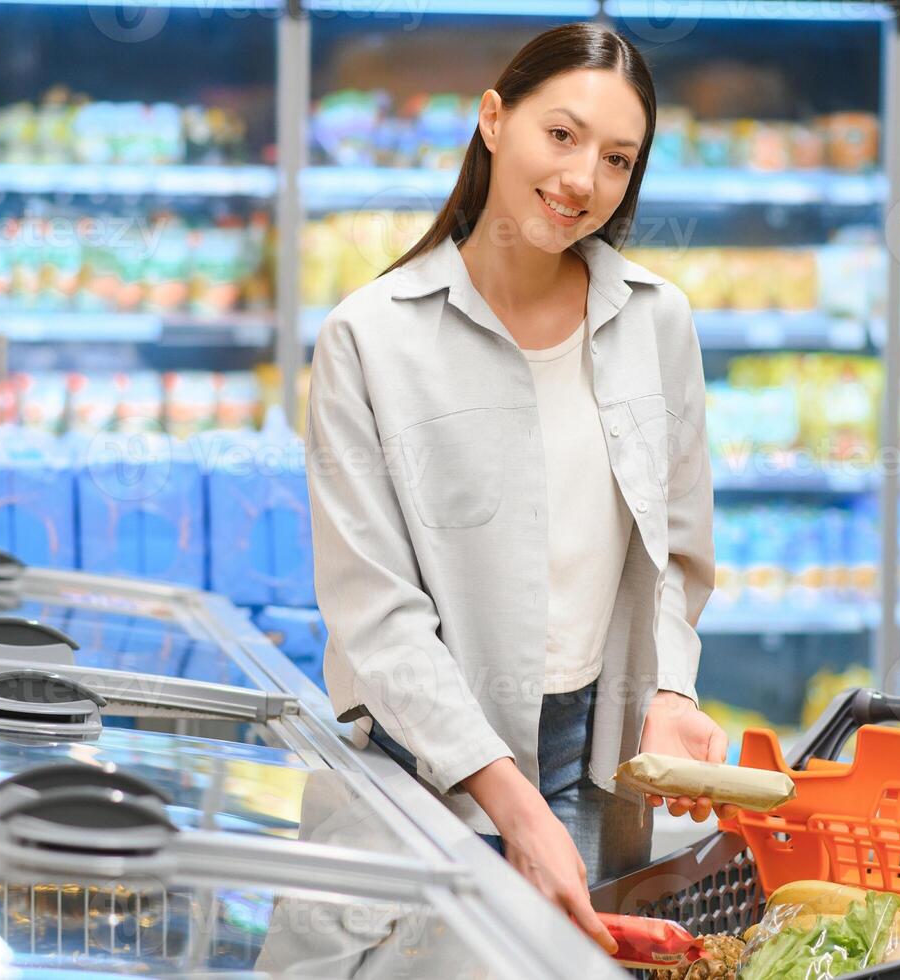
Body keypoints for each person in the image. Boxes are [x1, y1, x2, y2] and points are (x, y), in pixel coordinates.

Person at [304, 21, 723, 957]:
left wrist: (668, 690)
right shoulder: (370, 339)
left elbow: (674, 553)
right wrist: (513, 808)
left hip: (595, 761)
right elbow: (375, 614)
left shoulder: (657, 323)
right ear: (493, 120)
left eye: (617, 159)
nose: (582, 181)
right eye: (561, 136)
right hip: (423, 770)